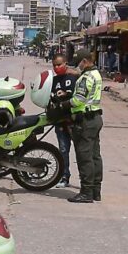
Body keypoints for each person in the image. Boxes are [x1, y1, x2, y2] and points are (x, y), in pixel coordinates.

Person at [59, 48, 103, 203]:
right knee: (94, 155)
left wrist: (64, 105)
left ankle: (86, 192)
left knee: (85, 157)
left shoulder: (86, 78)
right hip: (95, 117)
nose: (78, 66)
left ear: (85, 61)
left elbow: (78, 100)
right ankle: (96, 191)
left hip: (85, 120)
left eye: (79, 63)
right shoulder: (96, 74)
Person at [51, 54, 77, 188]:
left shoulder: (74, 78)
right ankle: (64, 176)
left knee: (80, 150)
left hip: (74, 120)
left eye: (59, 64)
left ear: (65, 63)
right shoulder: (53, 81)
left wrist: (66, 94)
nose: (56, 67)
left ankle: (87, 180)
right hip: (60, 120)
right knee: (63, 149)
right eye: (54, 65)